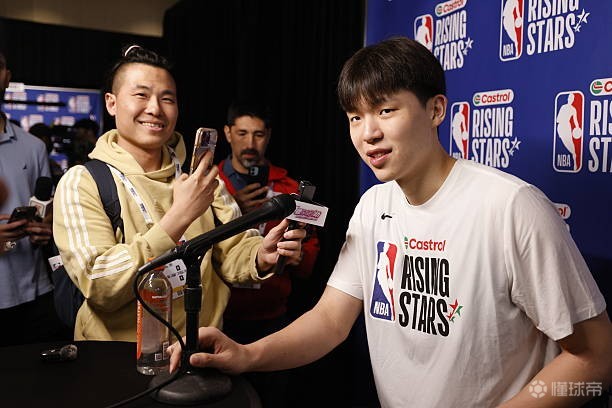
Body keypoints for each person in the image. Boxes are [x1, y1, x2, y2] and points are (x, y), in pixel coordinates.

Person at [169, 37, 611, 407]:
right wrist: (247, 355)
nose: (368, 133)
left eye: (385, 111)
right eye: (355, 117)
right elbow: (330, 321)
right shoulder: (373, 204)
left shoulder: (511, 206)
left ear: (436, 110)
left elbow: (597, 360)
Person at [52, 45, 305, 342]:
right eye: (141, 95)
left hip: (198, 351)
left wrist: (261, 255)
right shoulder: (84, 182)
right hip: (117, 358)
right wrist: (179, 217)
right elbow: (100, 284)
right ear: (112, 103)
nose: (155, 109)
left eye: (167, 99)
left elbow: (232, 251)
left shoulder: (201, 177)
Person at [217, 100, 320, 406]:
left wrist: (298, 256)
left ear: (269, 136)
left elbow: (310, 260)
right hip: (221, 320)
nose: (250, 143)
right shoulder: (210, 186)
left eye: (258, 134)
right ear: (228, 133)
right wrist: (235, 210)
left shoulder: (290, 188)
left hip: (273, 322)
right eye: (242, 133)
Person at [0, 50, 65, 345]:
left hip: (34, 292)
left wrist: (45, 228)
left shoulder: (33, 147)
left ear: (7, 77)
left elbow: (46, 211)